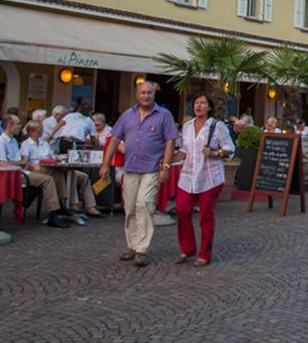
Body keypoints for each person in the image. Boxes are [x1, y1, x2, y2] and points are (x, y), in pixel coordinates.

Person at [99, 81, 178, 266]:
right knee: (130, 208)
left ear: (154, 95)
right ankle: (132, 245)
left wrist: (166, 166)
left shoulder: (164, 115)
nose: (146, 96)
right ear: (137, 95)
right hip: (131, 168)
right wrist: (105, 165)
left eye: (149, 93)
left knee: (144, 204)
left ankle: (141, 248)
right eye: (143, 92)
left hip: (151, 168)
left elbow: (170, 141)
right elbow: (114, 139)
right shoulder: (128, 115)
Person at [175, 93, 234, 267]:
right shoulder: (186, 126)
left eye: (202, 103)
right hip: (188, 176)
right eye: (196, 103)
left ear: (209, 107)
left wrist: (215, 153)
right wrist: (170, 159)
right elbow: (184, 150)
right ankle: (188, 248)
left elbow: (230, 149)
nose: (198, 106)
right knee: (182, 210)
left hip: (210, 177)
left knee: (206, 216)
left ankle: (204, 253)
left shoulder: (217, 126)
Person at [0, 115, 70, 228]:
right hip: (14, 174)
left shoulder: (13, 140)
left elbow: (21, 161)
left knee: (58, 173)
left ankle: (60, 204)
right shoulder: (1, 141)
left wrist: (26, 164)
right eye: (18, 124)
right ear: (9, 126)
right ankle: (53, 214)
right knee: (48, 180)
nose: (20, 126)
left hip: (22, 171)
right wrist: (24, 164)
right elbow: (2, 163)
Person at [20, 119, 102, 217]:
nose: (42, 131)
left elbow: (51, 156)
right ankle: (69, 204)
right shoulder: (26, 144)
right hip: (38, 169)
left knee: (83, 176)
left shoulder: (44, 143)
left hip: (51, 167)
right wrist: (32, 166)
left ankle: (90, 206)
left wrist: (58, 157)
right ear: (33, 131)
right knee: (67, 173)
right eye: (40, 129)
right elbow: (25, 161)